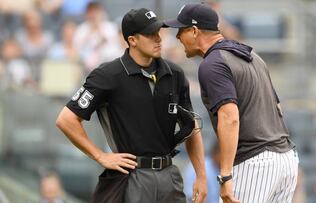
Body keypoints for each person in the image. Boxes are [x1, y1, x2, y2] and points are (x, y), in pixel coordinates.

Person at [56, 7, 207, 203]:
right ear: (132, 40)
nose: (158, 38)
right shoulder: (108, 75)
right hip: (131, 176)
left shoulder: (175, 74)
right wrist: (100, 156)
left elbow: (191, 127)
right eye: (150, 34)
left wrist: (201, 176)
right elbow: (66, 120)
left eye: (158, 32)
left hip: (169, 175)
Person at [164, 3, 298, 203]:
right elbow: (277, 107)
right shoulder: (253, 56)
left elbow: (229, 117)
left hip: (255, 163)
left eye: (180, 31)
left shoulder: (212, 64)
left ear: (194, 31)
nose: (177, 38)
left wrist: (225, 175)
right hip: (285, 159)